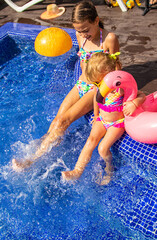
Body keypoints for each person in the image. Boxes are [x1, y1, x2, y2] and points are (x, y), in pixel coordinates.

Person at [12, 0, 121, 171]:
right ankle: (50, 141)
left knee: (64, 120)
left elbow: (115, 70)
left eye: (86, 30)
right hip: (81, 84)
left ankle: (32, 161)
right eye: (79, 31)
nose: (83, 34)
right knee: (58, 119)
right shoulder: (80, 35)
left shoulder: (108, 39)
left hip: (96, 89)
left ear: (96, 20)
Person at [62, 52, 146, 185]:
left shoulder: (120, 88)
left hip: (116, 123)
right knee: (90, 141)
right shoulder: (100, 86)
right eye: (97, 82)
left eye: (100, 81)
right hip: (102, 119)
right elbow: (97, 99)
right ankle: (77, 171)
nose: (99, 85)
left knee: (102, 148)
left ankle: (109, 170)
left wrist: (134, 103)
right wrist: (96, 115)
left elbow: (142, 95)